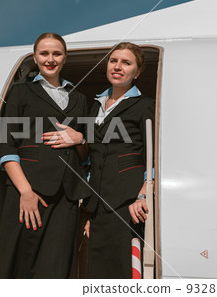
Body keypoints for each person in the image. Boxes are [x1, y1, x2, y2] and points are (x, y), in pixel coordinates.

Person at [0, 33, 91, 278]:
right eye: (44, 54)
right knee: (21, 265)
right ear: (35, 58)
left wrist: (80, 139)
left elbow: (84, 154)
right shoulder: (20, 92)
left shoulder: (80, 98)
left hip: (67, 196)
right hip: (29, 191)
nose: (51, 59)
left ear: (65, 57)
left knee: (56, 270)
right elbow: (6, 147)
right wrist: (25, 192)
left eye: (57, 53)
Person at [83, 42, 155, 278]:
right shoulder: (95, 107)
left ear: (137, 72)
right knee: (97, 275)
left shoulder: (146, 106)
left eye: (126, 63)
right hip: (97, 207)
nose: (118, 67)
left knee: (123, 272)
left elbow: (153, 157)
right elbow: (92, 158)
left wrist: (144, 194)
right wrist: (90, 211)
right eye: (113, 61)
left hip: (129, 202)